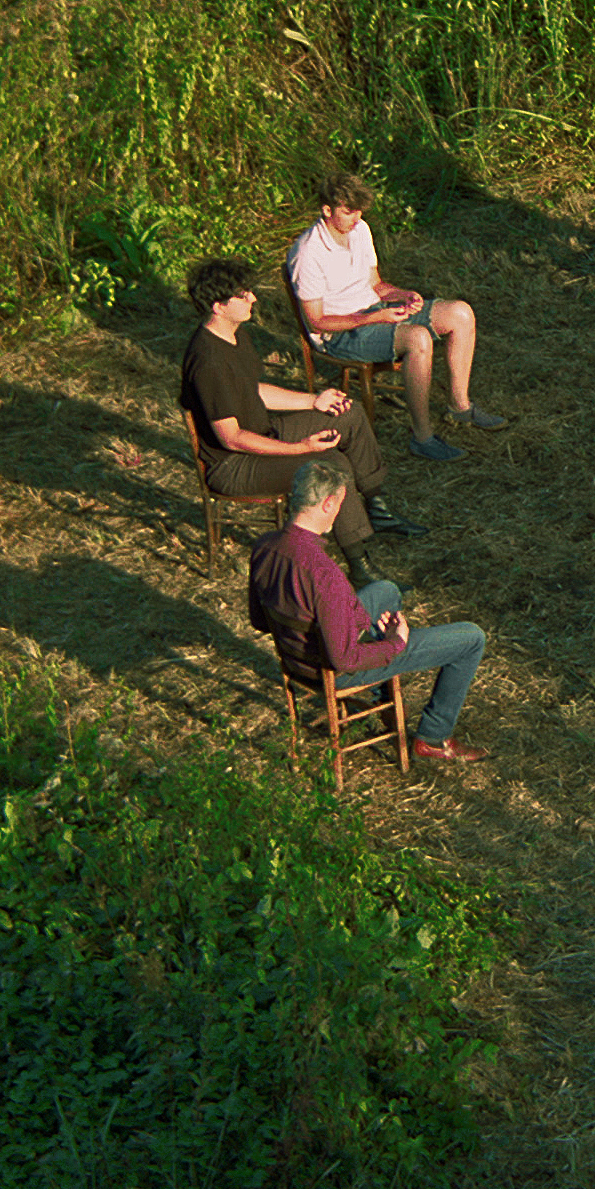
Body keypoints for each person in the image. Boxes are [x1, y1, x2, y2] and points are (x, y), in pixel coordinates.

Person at [181, 256, 423, 572]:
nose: (252, 297)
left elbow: (254, 391)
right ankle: (360, 566)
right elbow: (232, 438)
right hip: (234, 465)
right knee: (331, 465)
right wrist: (301, 449)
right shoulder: (209, 361)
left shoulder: (234, 334)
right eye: (242, 295)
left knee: (347, 414)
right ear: (218, 306)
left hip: (263, 431)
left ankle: (377, 506)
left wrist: (314, 401)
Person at [248, 456, 490, 765]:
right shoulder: (324, 573)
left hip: (299, 660)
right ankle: (433, 737)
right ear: (326, 504)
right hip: (334, 669)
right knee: (471, 638)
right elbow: (344, 659)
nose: (339, 512)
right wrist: (394, 644)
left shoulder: (264, 546)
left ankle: (385, 701)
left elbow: (259, 620)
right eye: (340, 505)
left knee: (386, 590)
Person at [287, 173, 506, 462]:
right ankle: (423, 436)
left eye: (359, 209)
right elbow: (317, 321)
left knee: (460, 313)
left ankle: (460, 407)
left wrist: (402, 295)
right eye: (348, 210)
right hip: (340, 333)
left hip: (374, 310)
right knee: (418, 338)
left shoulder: (360, 230)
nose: (356, 216)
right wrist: (374, 319)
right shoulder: (308, 253)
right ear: (327, 210)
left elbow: (376, 284)